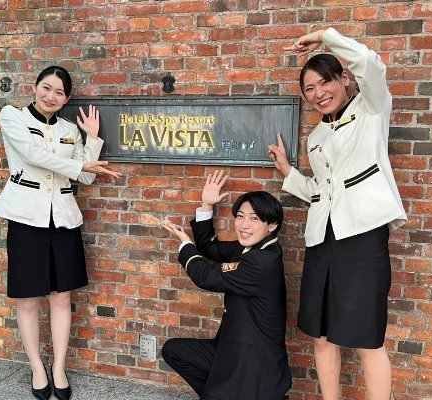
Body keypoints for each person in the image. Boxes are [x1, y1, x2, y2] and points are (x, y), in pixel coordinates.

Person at [268, 28, 407, 400]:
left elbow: (370, 64)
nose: (318, 93)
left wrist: (325, 36)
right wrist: (289, 173)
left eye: (324, 82)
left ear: (344, 79)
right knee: (322, 335)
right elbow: (322, 192)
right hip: (321, 241)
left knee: (367, 338)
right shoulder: (316, 138)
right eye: (309, 89)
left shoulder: (371, 110)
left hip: (362, 239)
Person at [0, 65, 120, 400]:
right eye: (46, 88)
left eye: (59, 92)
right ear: (35, 87)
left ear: (66, 99)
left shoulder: (68, 129)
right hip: (25, 217)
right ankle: (37, 367)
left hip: (63, 219)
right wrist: (78, 165)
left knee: (61, 297)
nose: (51, 96)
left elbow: (86, 176)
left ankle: (59, 367)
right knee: (27, 299)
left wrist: (92, 139)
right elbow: (33, 156)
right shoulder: (13, 116)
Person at [161, 170, 292, 400]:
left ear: (271, 225)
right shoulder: (252, 248)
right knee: (174, 351)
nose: (244, 225)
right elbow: (210, 249)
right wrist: (206, 205)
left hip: (253, 364)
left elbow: (206, 276)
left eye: (254, 219)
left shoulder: (263, 261)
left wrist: (185, 245)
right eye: (240, 216)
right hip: (230, 349)